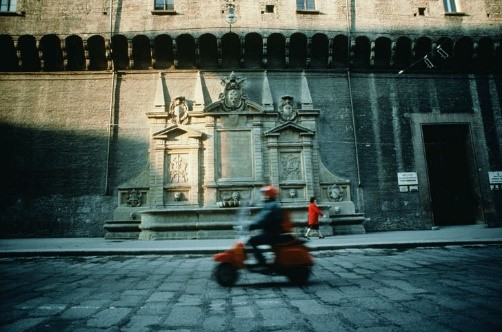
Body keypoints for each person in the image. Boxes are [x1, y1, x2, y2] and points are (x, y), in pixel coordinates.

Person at [247, 185, 285, 266]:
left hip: (271, 233)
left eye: (264, 193)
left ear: (269, 194)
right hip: (273, 232)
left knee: (252, 241)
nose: (263, 195)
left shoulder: (270, 205)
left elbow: (263, 220)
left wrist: (251, 226)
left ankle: (261, 262)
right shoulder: (271, 204)